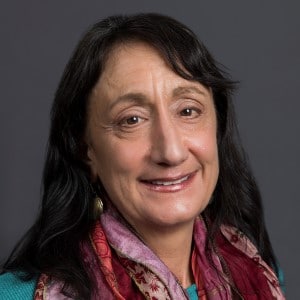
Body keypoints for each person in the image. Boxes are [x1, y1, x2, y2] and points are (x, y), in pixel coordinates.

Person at [0, 13, 285, 299]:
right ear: (85, 149)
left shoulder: (256, 274)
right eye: (132, 120)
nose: (171, 152)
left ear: (217, 127)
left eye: (188, 111)